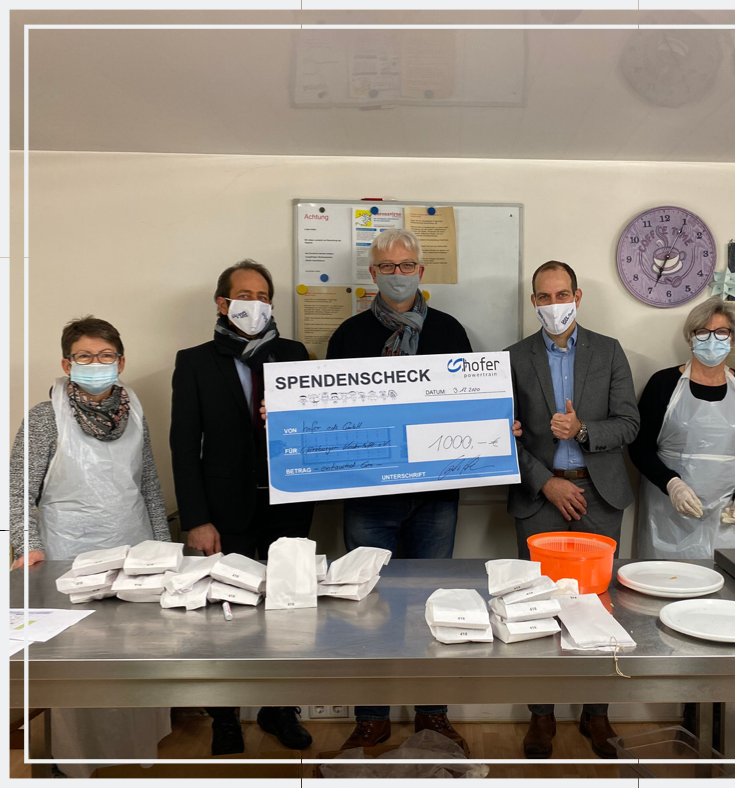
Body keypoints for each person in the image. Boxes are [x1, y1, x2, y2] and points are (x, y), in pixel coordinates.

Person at [326, 228, 474, 754]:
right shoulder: (347, 335)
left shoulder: (450, 331)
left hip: (435, 497)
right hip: (368, 498)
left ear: (421, 271)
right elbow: (328, 411)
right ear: (372, 273)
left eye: (406, 264)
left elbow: (470, 404)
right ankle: (373, 720)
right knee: (366, 606)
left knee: (432, 603)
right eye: (387, 266)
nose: (397, 274)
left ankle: (432, 716)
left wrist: (495, 430)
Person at [9, 316, 172, 778]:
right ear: (67, 363)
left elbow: (149, 485)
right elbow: (19, 490)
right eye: (84, 356)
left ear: (121, 361)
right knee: (76, 660)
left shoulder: (134, 412)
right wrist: (26, 545)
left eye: (105, 356)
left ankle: (133, 751)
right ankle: (73, 760)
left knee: (135, 651)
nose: (95, 364)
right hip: (67, 553)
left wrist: (164, 548)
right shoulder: (45, 417)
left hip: (133, 547)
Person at [170, 259, 315, 756]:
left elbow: (318, 427)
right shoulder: (195, 361)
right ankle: (225, 718)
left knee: (287, 612)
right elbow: (184, 446)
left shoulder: (294, 355)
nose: (255, 304)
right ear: (222, 303)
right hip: (223, 512)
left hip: (287, 507)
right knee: (224, 615)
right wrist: (195, 519)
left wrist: (290, 421)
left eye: (263, 296)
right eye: (244, 295)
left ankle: (279, 710)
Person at [507, 260, 640, 760]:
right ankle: (541, 716)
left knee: (601, 609)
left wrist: (583, 431)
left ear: (577, 296)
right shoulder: (513, 358)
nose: (554, 304)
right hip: (540, 497)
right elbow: (503, 437)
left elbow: (629, 423)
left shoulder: (609, 351)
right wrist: (546, 483)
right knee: (536, 608)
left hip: (599, 496)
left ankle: (596, 713)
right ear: (534, 302)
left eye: (562, 294)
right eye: (544, 297)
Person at [631, 296, 735, 560]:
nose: (712, 339)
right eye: (703, 332)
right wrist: (672, 484)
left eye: (721, 332)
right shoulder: (663, 384)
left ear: (732, 338)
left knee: (731, 580)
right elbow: (640, 448)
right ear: (690, 338)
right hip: (670, 514)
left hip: (731, 513)